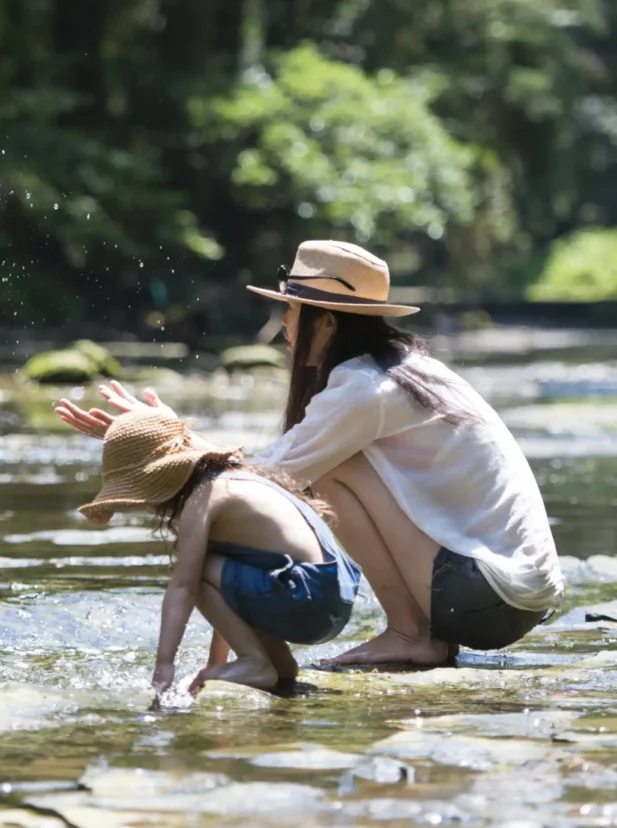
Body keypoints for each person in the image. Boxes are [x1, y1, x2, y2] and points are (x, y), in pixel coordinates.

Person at [56, 239, 564, 668]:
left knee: (332, 469)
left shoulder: (365, 388)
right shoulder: (404, 368)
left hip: (489, 596)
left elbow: (263, 477)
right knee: (323, 467)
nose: (283, 327)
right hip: (510, 593)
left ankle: (412, 635)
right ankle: (415, 632)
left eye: (292, 311)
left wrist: (163, 440)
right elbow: (267, 466)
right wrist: (164, 437)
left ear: (327, 323)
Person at [76, 409, 361, 693]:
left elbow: (184, 588)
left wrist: (164, 666)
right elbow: (230, 591)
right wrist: (216, 662)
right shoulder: (237, 477)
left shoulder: (205, 498)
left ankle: (255, 662)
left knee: (199, 570)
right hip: (332, 597)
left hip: (307, 597)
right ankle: (276, 663)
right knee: (224, 570)